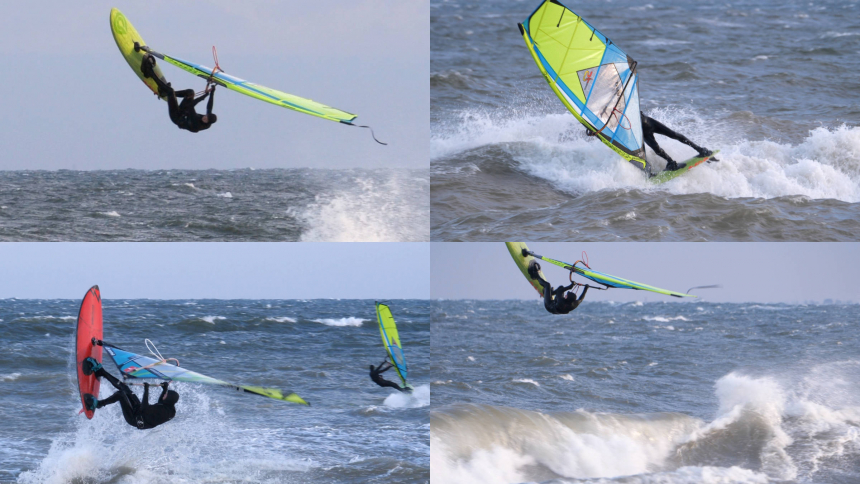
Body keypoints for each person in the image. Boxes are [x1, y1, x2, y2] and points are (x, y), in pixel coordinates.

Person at [587, 113, 716, 171]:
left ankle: (700, 149)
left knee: (674, 135)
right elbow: (607, 127)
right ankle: (671, 163)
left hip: (649, 123)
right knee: (657, 150)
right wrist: (595, 132)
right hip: (642, 131)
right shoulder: (612, 116)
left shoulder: (622, 104)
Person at [82, 357, 179, 430]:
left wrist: (146, 390)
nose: (164, 395)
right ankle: (101, 372)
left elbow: (145, 408)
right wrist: (164, 389)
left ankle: (98, 404)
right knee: (124, 388)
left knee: (121, 395)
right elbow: (161, 402)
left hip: (135, 418)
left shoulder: (163, 412)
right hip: (140, 410)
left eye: (166, 394)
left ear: (168, 400)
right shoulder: (169, 407)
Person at [139, 48, 217, 133]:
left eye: (205, 119)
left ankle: (149, 71)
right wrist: (212, 92)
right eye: (206, 116)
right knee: (190, 92)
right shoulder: (208, 117)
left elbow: (191, 105)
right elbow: (209, 107)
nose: (204, 118)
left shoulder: (198, 125)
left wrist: (205, 96)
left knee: (170, 91)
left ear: (207, 122)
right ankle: (165, 92)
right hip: (184, 112)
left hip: (176, 117)